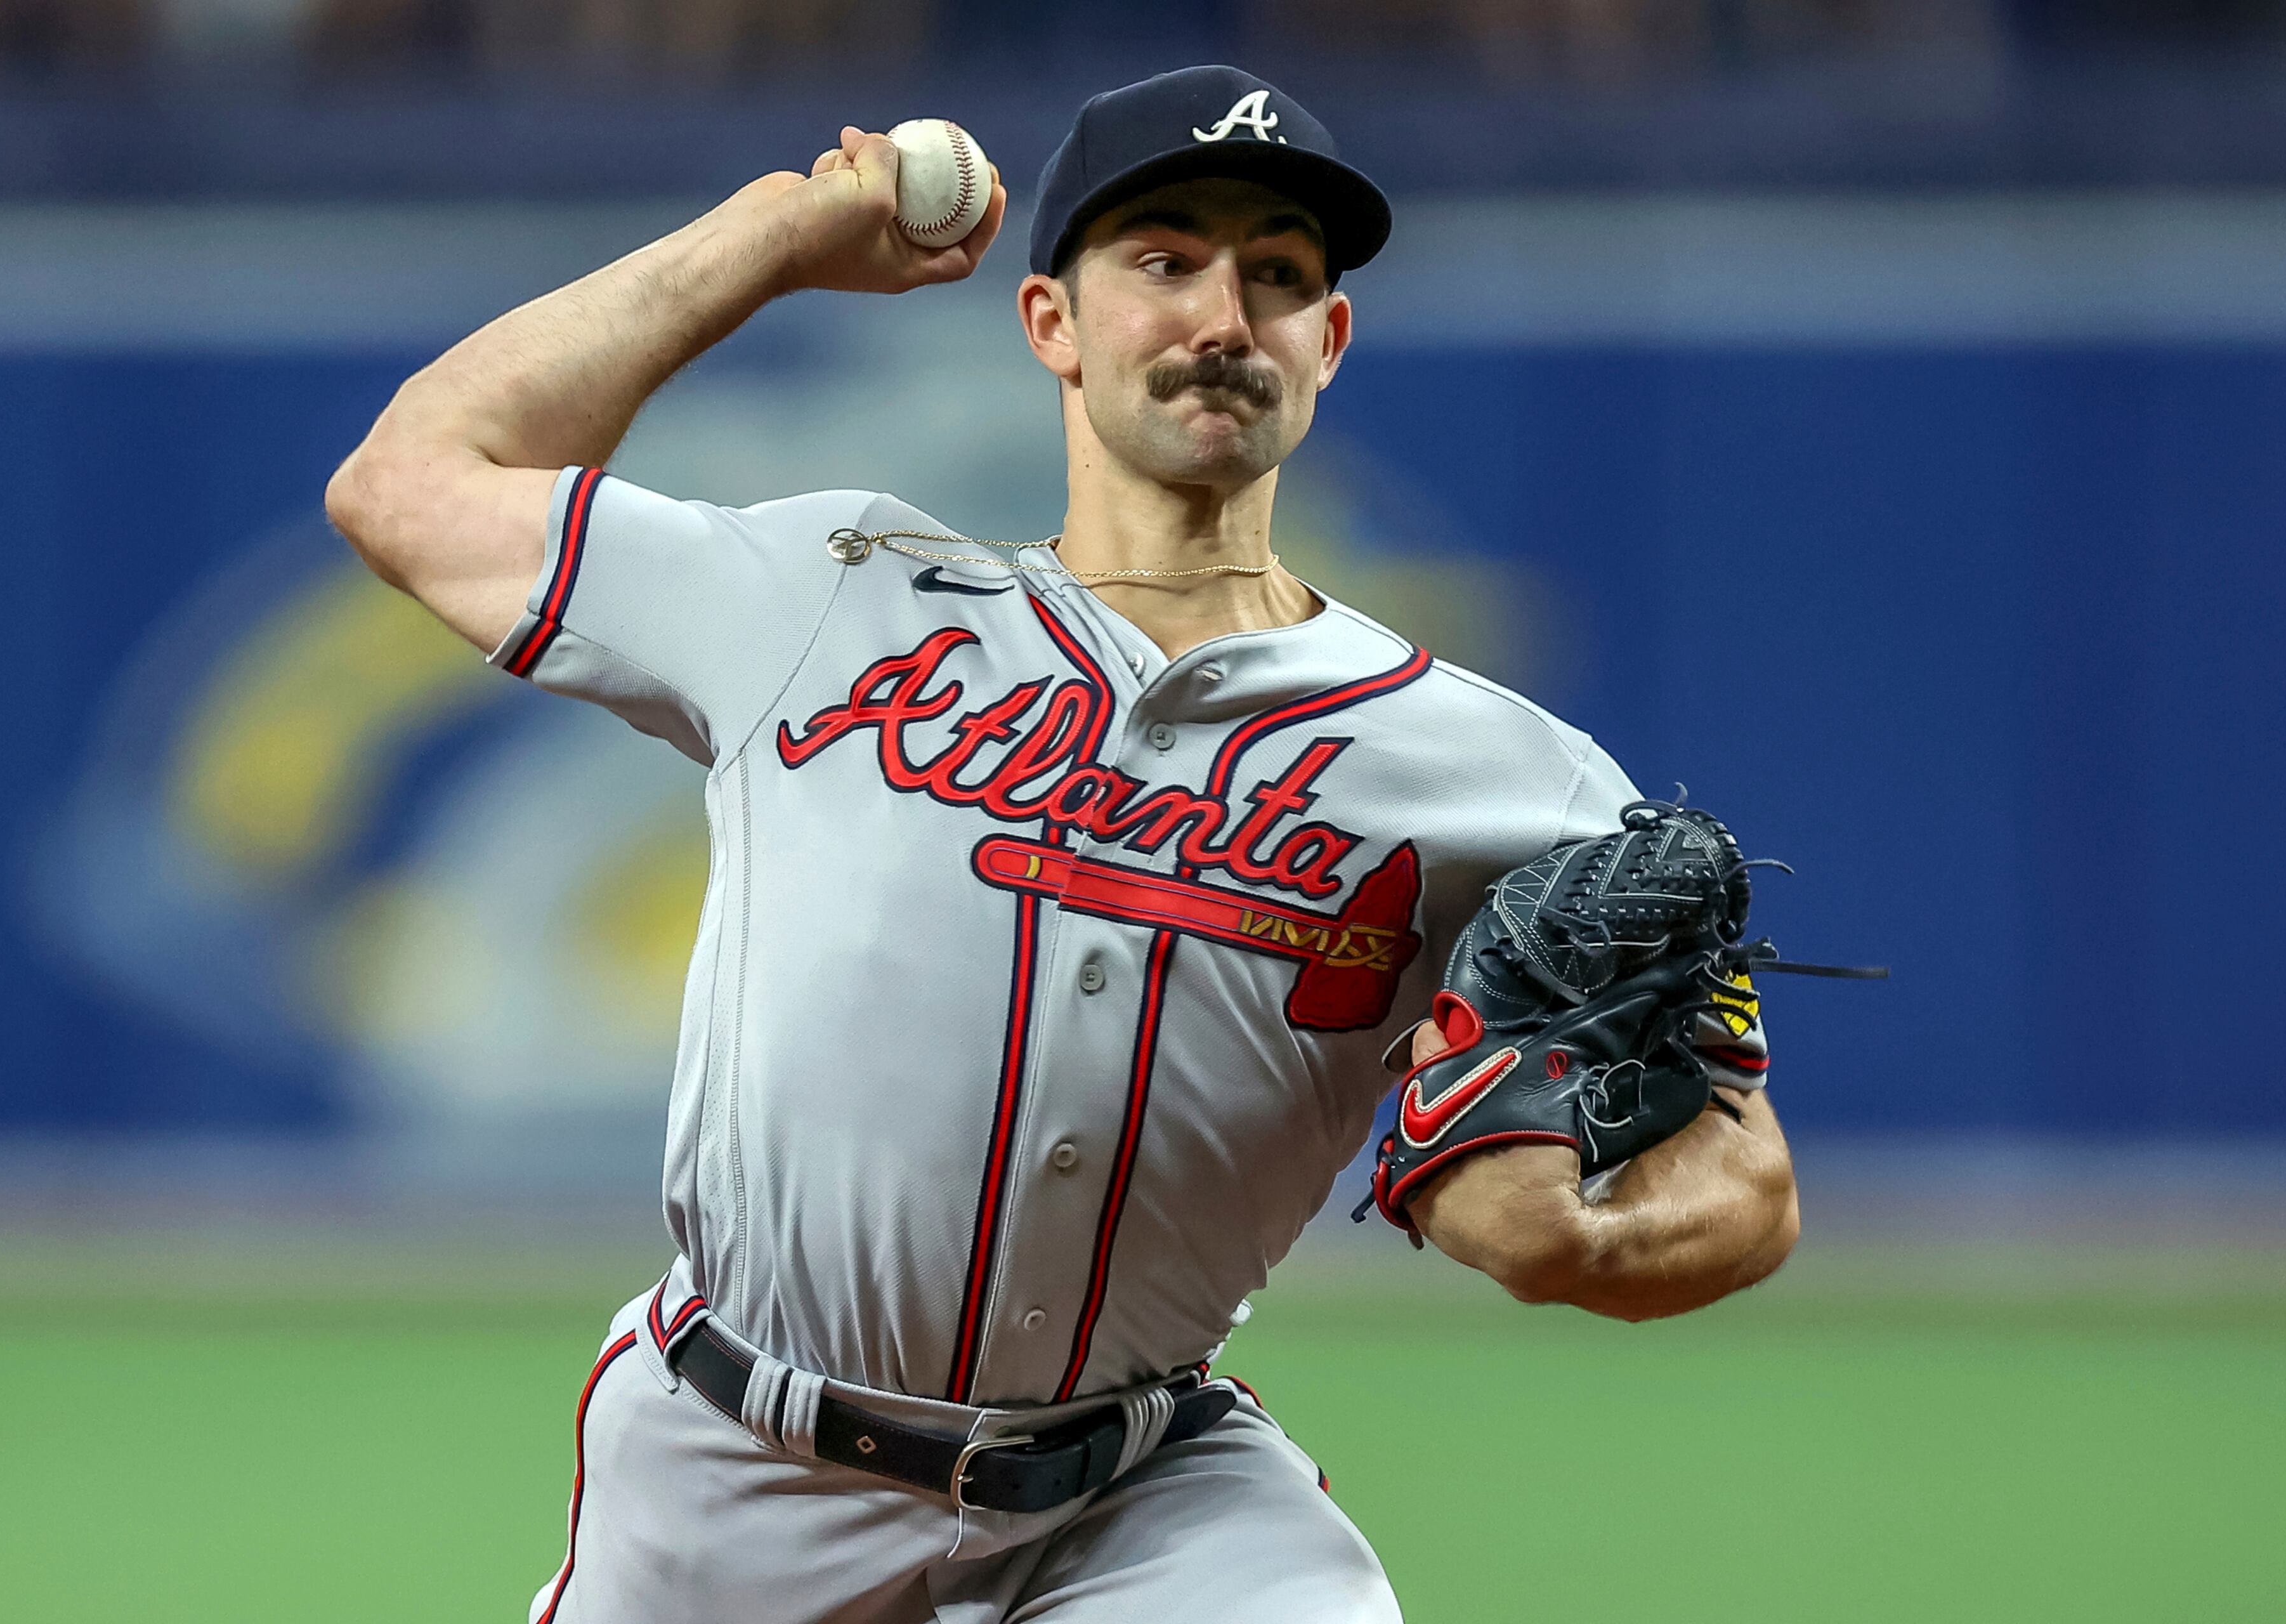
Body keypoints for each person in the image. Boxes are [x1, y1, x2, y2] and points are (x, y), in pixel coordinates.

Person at [326, 62, 1798, 1624]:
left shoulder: (1504, 779)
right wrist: (765, 237)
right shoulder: (831, 592)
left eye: (1279, 276)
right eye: (1163, 261)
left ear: (1328, 342)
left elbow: (1749, 1175)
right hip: (728, 1472)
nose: (1223, 316)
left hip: (1142, 1497)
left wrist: (1589, 1228)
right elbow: (412, 487)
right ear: (1051, 324)